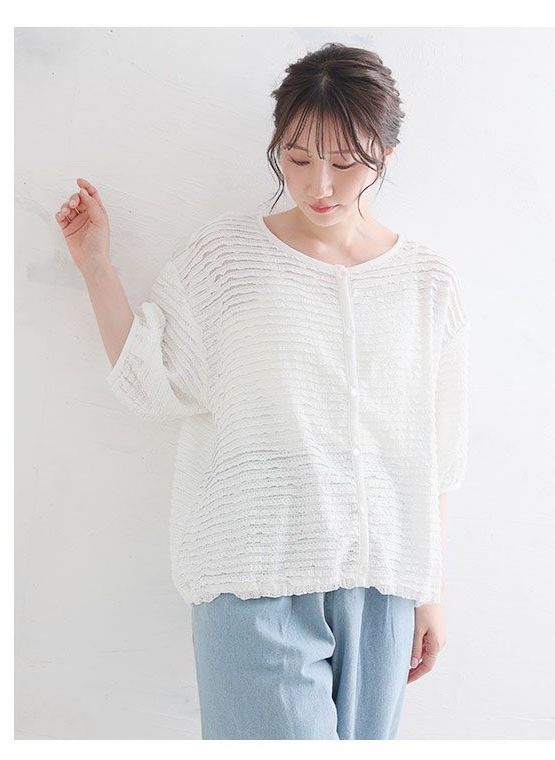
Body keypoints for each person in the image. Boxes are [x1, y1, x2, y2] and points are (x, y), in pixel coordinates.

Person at [55, 42, 469, 740]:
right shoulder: (227, 259)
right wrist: (96, 266)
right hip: (253, 579)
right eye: (298, 159)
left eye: (345, 163)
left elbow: (439, 453)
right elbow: (152, 380)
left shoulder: (428, 282)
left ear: (386, 156)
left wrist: (430, 593)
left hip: (384, 587)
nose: (319, 186)